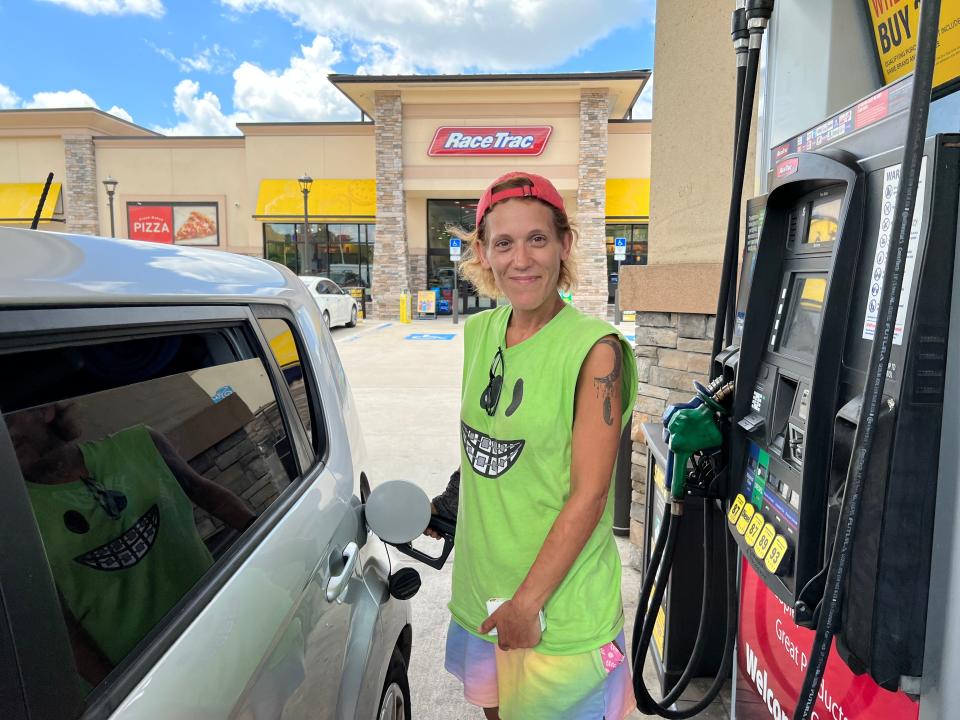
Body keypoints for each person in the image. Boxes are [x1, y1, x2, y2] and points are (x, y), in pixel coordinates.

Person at [438, 171, 638, 719]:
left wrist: (527, 605)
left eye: (538, 239)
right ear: (482, 252)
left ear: (564, 245)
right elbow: (490, 442)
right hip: (484, 591)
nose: (521, 259)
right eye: (503, 242)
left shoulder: (595, 351)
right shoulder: (480, 334)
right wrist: (455, 500)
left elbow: (591, 495)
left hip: (558, 609)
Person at [6, 401, 256, 687]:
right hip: (146, 687)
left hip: (227, 634)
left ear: (45, 410)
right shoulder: (16, 520)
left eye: (7, 418)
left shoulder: (140, 443)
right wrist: (122, 696)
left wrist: (270, 538)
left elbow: (207, 494)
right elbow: (60, 627)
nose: (4, 437)